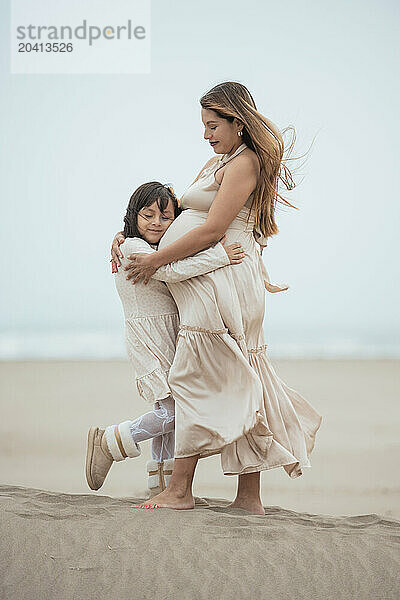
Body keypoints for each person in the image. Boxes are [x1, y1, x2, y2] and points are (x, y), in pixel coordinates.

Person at [112, 81, 322, 515]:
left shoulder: (244, 164)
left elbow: (210, 230)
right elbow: (176, 209)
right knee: (239, 377)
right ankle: (248, 498)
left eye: (213, 125)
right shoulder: (218, 161)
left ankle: (180, 490)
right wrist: (127, 234)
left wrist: (154, 262)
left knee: (195, 375)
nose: (206, 134)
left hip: (224, 277)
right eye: (203, 125)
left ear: (237, 122)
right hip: (208, 276)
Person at [86, 181, 245, 501]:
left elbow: (172, 256)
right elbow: (172, 270)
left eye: (165, 217)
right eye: (147, 215)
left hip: (169, 334)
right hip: (149, 339)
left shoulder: (152, 248)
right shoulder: (132, 248)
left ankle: (161, 485)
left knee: (170, 411)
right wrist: (220, 255)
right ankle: (112, 441)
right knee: (174, 412)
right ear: (134, 216)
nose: (156, 223)